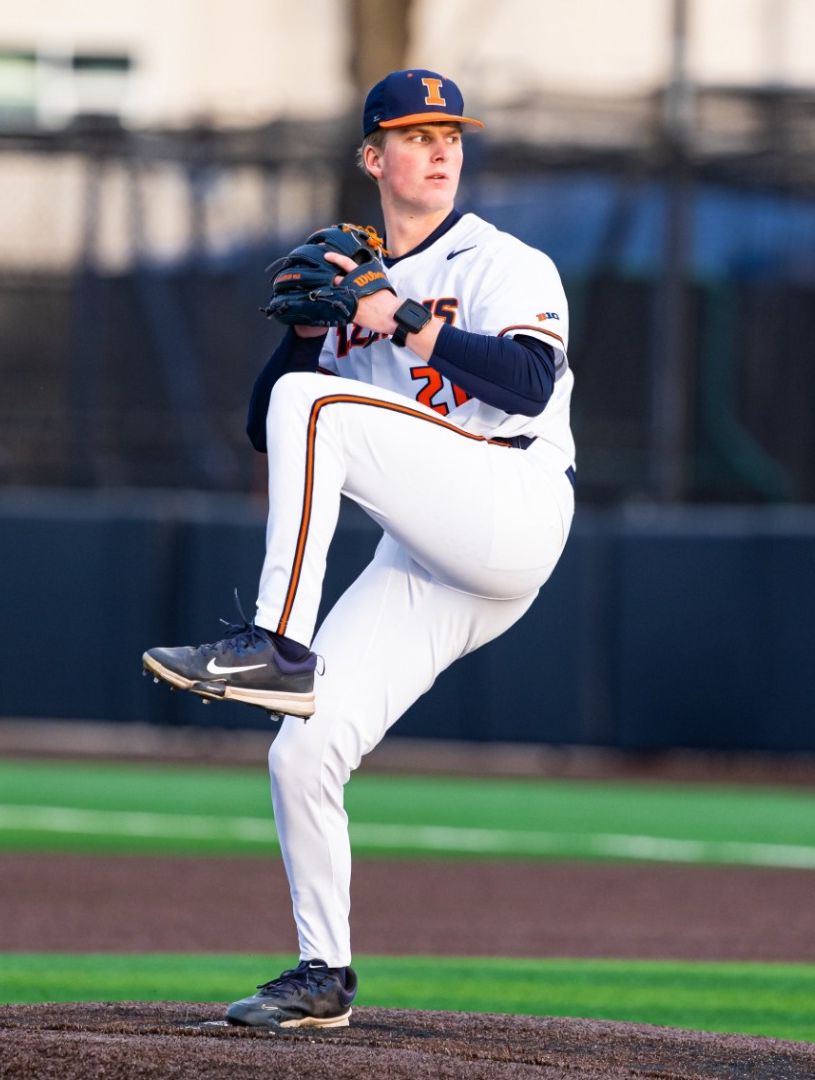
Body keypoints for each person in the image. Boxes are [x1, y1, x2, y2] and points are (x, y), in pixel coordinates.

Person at [143, 69, 575, 1028]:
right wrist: (305, 332)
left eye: (450, 134)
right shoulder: (356, 279)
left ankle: (278, 644)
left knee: (321, 404)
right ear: (373, 157)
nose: (440, 149)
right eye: (416, 135)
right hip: (429, 554)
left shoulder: (505, 262)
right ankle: (322, 976)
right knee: (303, 750)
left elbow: (529, 383)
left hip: (513, 505)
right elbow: (266, 424)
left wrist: (405, 319)